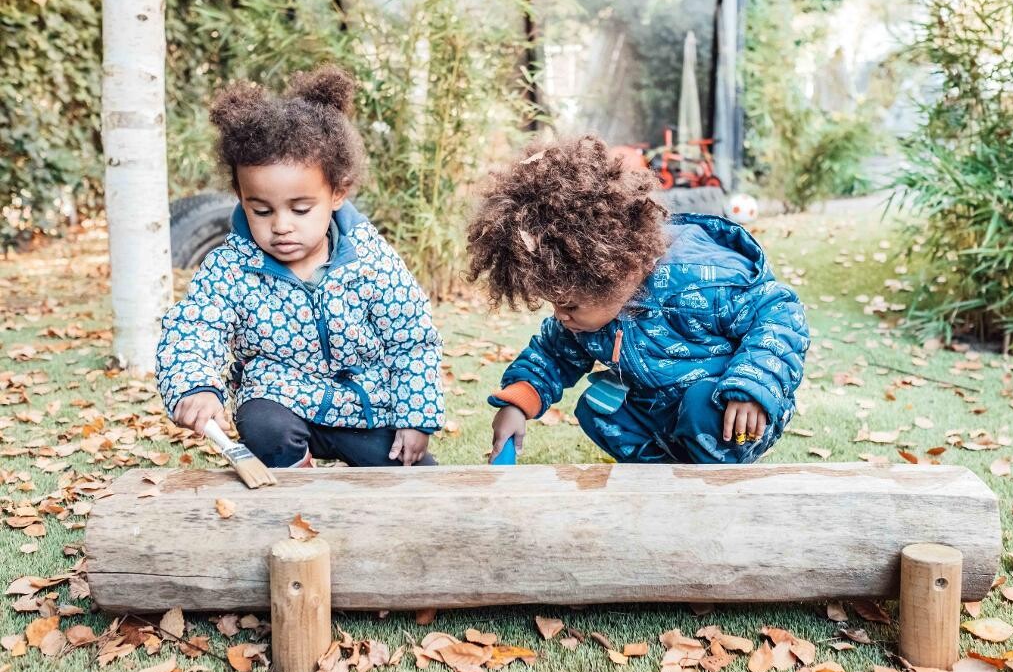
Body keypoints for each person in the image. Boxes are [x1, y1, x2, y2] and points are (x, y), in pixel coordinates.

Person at [156, 65, 444, 467]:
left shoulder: (370, 259)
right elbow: (194, 327)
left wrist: (417, 418)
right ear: (240, 197)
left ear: (337, 193)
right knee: (263, 421)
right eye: (261, 209)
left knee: (418, 477)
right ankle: (297, 480)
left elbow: (412, 338)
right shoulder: (230, 268)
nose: (281, 226)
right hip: (281, 398)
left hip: (366, 407)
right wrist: (195, 386)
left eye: (301, 208)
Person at [466, 136, 809, 465]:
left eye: (569, 306)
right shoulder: (589, 310)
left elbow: (779, 311)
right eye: (555, 304)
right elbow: (552, 355)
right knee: (598, 408)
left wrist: (752, 386)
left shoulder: (698, 282)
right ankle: (661, 477)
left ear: (614, 275)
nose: (561, 317)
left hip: (734, 410)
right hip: (661, 407)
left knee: (700, 406)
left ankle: (712, 477)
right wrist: (518, 404)